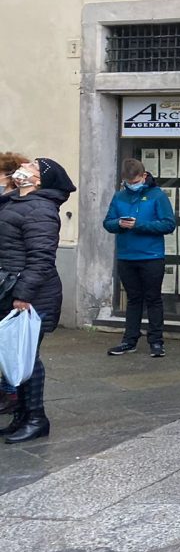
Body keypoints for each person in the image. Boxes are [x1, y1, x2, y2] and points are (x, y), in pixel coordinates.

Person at [0, 157, 77, 443]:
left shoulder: (41, 210)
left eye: (31, 166)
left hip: (32, 296)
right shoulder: (13, 202)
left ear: (40, 179)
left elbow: (41, 258)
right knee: (14, 356)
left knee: (27, 357)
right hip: (10, 289)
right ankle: (21, 415)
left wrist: (23, 295)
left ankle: (36, 418)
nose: (23, 168)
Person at [103, 158, 176, 358]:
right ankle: (129, 340)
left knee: (153, 299)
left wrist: (139, 225)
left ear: (144, 177)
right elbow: (107, 223)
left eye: (135, 182)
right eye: (129, 183)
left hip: (152, 255)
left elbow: (168, 224)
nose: (132, 186)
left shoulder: (157, 195)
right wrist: (119, 223)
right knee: (133, 299)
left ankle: (156, 342)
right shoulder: (119, 196)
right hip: (127, 256)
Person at [0, 151, 29, 417]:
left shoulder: (16, 205)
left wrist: (21, 291)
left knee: (11, 343)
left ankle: (11, 394)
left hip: (10, 282)